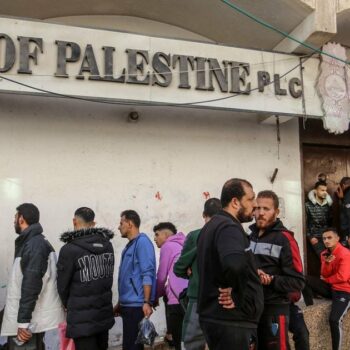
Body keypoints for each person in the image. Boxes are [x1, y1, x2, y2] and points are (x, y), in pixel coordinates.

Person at [197, 178, 263, 350]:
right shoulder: (228, 227)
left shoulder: (212, 226)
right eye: (250, 199)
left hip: (219, 320)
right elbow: (234, 264)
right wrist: (238, 295)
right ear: (235, 202)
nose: (254, 204)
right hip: (231, 322)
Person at [1, 203, 64, 349]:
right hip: (29, 321)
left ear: (21, 219)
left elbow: (31, 286)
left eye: (15, 217)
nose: (13, 221)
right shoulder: (31, 242)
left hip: (29, 325)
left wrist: (23, 323)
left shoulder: (34, 245)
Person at [249, 191, 305, 350]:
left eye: (266, 209)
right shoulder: (250, 235)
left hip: (274, 309)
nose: (260, 213)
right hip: (252, 309)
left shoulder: (285, 239)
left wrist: (272, 280)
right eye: (258, 208)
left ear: (276, 212)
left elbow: (298, 282)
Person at [57, 207, 115, 350]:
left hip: (81, 319)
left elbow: (62, 286)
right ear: (94, 224)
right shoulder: (107, 245)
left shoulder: (68, 250)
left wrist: (68, 304)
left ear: (74, 221)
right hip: (103, 313)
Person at [174, 197, 222, 350]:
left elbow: (179, 267)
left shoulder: (195, 235)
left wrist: (191, 273)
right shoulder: (229, 233)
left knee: (192, 343)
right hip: (224, 297)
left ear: (203, 214)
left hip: (198, 297)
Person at [115, 210, 156, 350]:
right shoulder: (130, 246)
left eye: (121, 223)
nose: (118, 227)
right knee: (128, 345)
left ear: (130, 223)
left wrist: (146, 302)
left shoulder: (142, 242)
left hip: (136, 305)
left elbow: (147, 273)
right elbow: (127, 277)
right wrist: (120, 302)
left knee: (133, 347)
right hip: (127, 304)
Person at [303, 228, 350, 350]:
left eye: (329, 238)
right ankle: (309, 305)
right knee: (304, 279)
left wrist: (326, 280)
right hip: (331, 288)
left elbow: (342, 276)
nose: (326, 241)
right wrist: (327, 263)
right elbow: (324, 273)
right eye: (324, 238)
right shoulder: (325, 254)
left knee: (334, 320)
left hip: (344, 291)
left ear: (337, 238)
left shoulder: (345, 253)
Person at [153, 222, 188, 350]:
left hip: (175, 300)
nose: (154, 238)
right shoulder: (183, 245)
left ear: (166, 235)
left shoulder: (167, 246)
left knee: (178, 339)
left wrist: (154, 296)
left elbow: (161, 276)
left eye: (157, 234)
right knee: (187, 339)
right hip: (188, 297)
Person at [306, 181, 333, 257]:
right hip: (315, 237)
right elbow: (305, 224)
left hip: (327, 237)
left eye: (326, 190)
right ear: (315, 191)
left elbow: (331, 222)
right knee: (324, 257)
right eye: (322, 190)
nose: (325, 192)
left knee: (331, 259)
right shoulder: (308, 205)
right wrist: (310, 237)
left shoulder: (328, 205)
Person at [337, 177, 350, 247]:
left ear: (343, 185)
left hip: (347, 233)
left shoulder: (348, 195)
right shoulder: (347, 196)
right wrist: (341, 199)